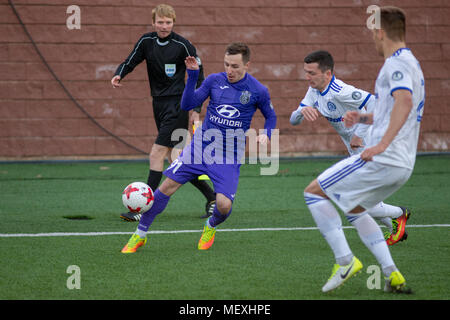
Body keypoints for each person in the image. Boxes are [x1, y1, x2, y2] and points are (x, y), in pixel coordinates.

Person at [303, 6, 424, 293]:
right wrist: (363, 119)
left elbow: (404, 102)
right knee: (355, 207)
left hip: (385, 157)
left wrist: (380, 144)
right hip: (402, 163)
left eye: (373, 33)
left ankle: (345, 260)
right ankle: (393, 275)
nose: (372, 38)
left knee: (312, 192)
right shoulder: (412, 63)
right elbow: (393, 108)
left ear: (380, 32)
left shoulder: (396, 63)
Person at [121, 42, 277, 253]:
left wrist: (266, 134)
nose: (229, 71)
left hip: (228, 156)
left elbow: (270, 115)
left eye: (235, 66)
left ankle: (211, 225)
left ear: (247, 65)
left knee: (223, 206)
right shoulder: (214, 80)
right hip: (200, 148)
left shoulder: (258, 90)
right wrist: (192, 75)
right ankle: (140, 234)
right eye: (226, 65)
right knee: (166, 187)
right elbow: (187, 105)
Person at [290, 50, 410, 246]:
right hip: (355, 150)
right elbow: (293, 121)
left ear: (327, 74)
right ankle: (395, 226)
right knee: (360, 198)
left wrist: (358, 134)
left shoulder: (340, 91)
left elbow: (374, 103)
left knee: (353, 200)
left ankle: (399, 214)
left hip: (369, 146)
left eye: (311, 73)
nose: (307, 77)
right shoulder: (314, 90)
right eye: (306, 72)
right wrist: (302, 111)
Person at [111, 4, 216, 221]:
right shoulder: (146, 41)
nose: (164, 26)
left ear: (173, 23)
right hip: (158, 104)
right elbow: (131, 60)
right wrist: (119, 74)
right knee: (176, 159)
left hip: (178, 104)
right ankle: (212, 197)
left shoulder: (182, 45)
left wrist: (195, 107)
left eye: (168, 22)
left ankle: (144, 208)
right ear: (153, 22)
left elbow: (200, 75)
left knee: (156, 153)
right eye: (160, 22)